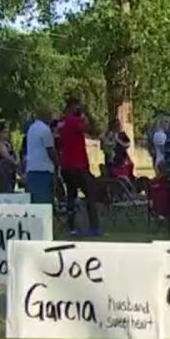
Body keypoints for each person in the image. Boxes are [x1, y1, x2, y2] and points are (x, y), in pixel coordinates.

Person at [56, 99, 101, 236]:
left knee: (71, 195)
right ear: (72, 107)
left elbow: (58, 141)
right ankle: (94, 226)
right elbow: (92, 131)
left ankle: (71, 227)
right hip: (78, 165)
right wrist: (86, 117)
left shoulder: (61, 122)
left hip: (66, 164)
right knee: (90, 194)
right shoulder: (75, 121)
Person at [23, 106, 58, 205]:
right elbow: (50, 150)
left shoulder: (32, 128)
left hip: (31, 168)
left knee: (34, 202)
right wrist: (57, 163)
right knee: (44, 202)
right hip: (43, 169)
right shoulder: (45, 130)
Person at [0, 121, 20, 193]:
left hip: (10, 173)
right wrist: (15, 162)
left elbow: (14, 155)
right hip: (2, 174)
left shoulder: (8, 144)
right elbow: (7, 157)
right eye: (4, 132)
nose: (6, 134)